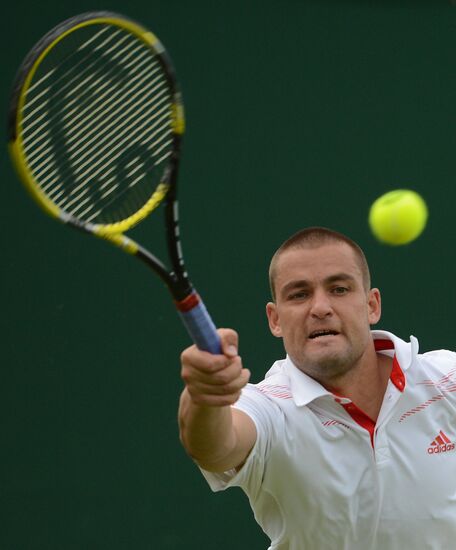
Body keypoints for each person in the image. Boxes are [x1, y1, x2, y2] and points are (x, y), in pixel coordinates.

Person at [178, 226, 456, 550]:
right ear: (275, 319)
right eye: (299, 294)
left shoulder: (446, 379)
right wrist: (203, 396)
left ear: (371, 305)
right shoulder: (270, 409)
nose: (320, 307)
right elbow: (214, 447)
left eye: (339, 289)